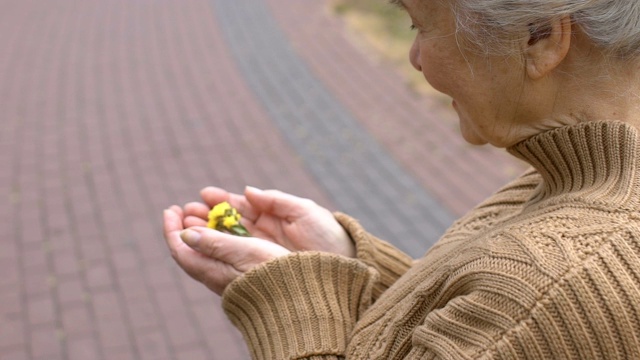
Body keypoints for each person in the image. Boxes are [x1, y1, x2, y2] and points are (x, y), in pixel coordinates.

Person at [163, 0, 640, 358]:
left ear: (539, 36)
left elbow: (516, 317)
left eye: (418, 24)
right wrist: (355, 271)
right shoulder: (573, 188)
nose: (414, 56)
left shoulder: (548, 286)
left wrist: (294, 302)